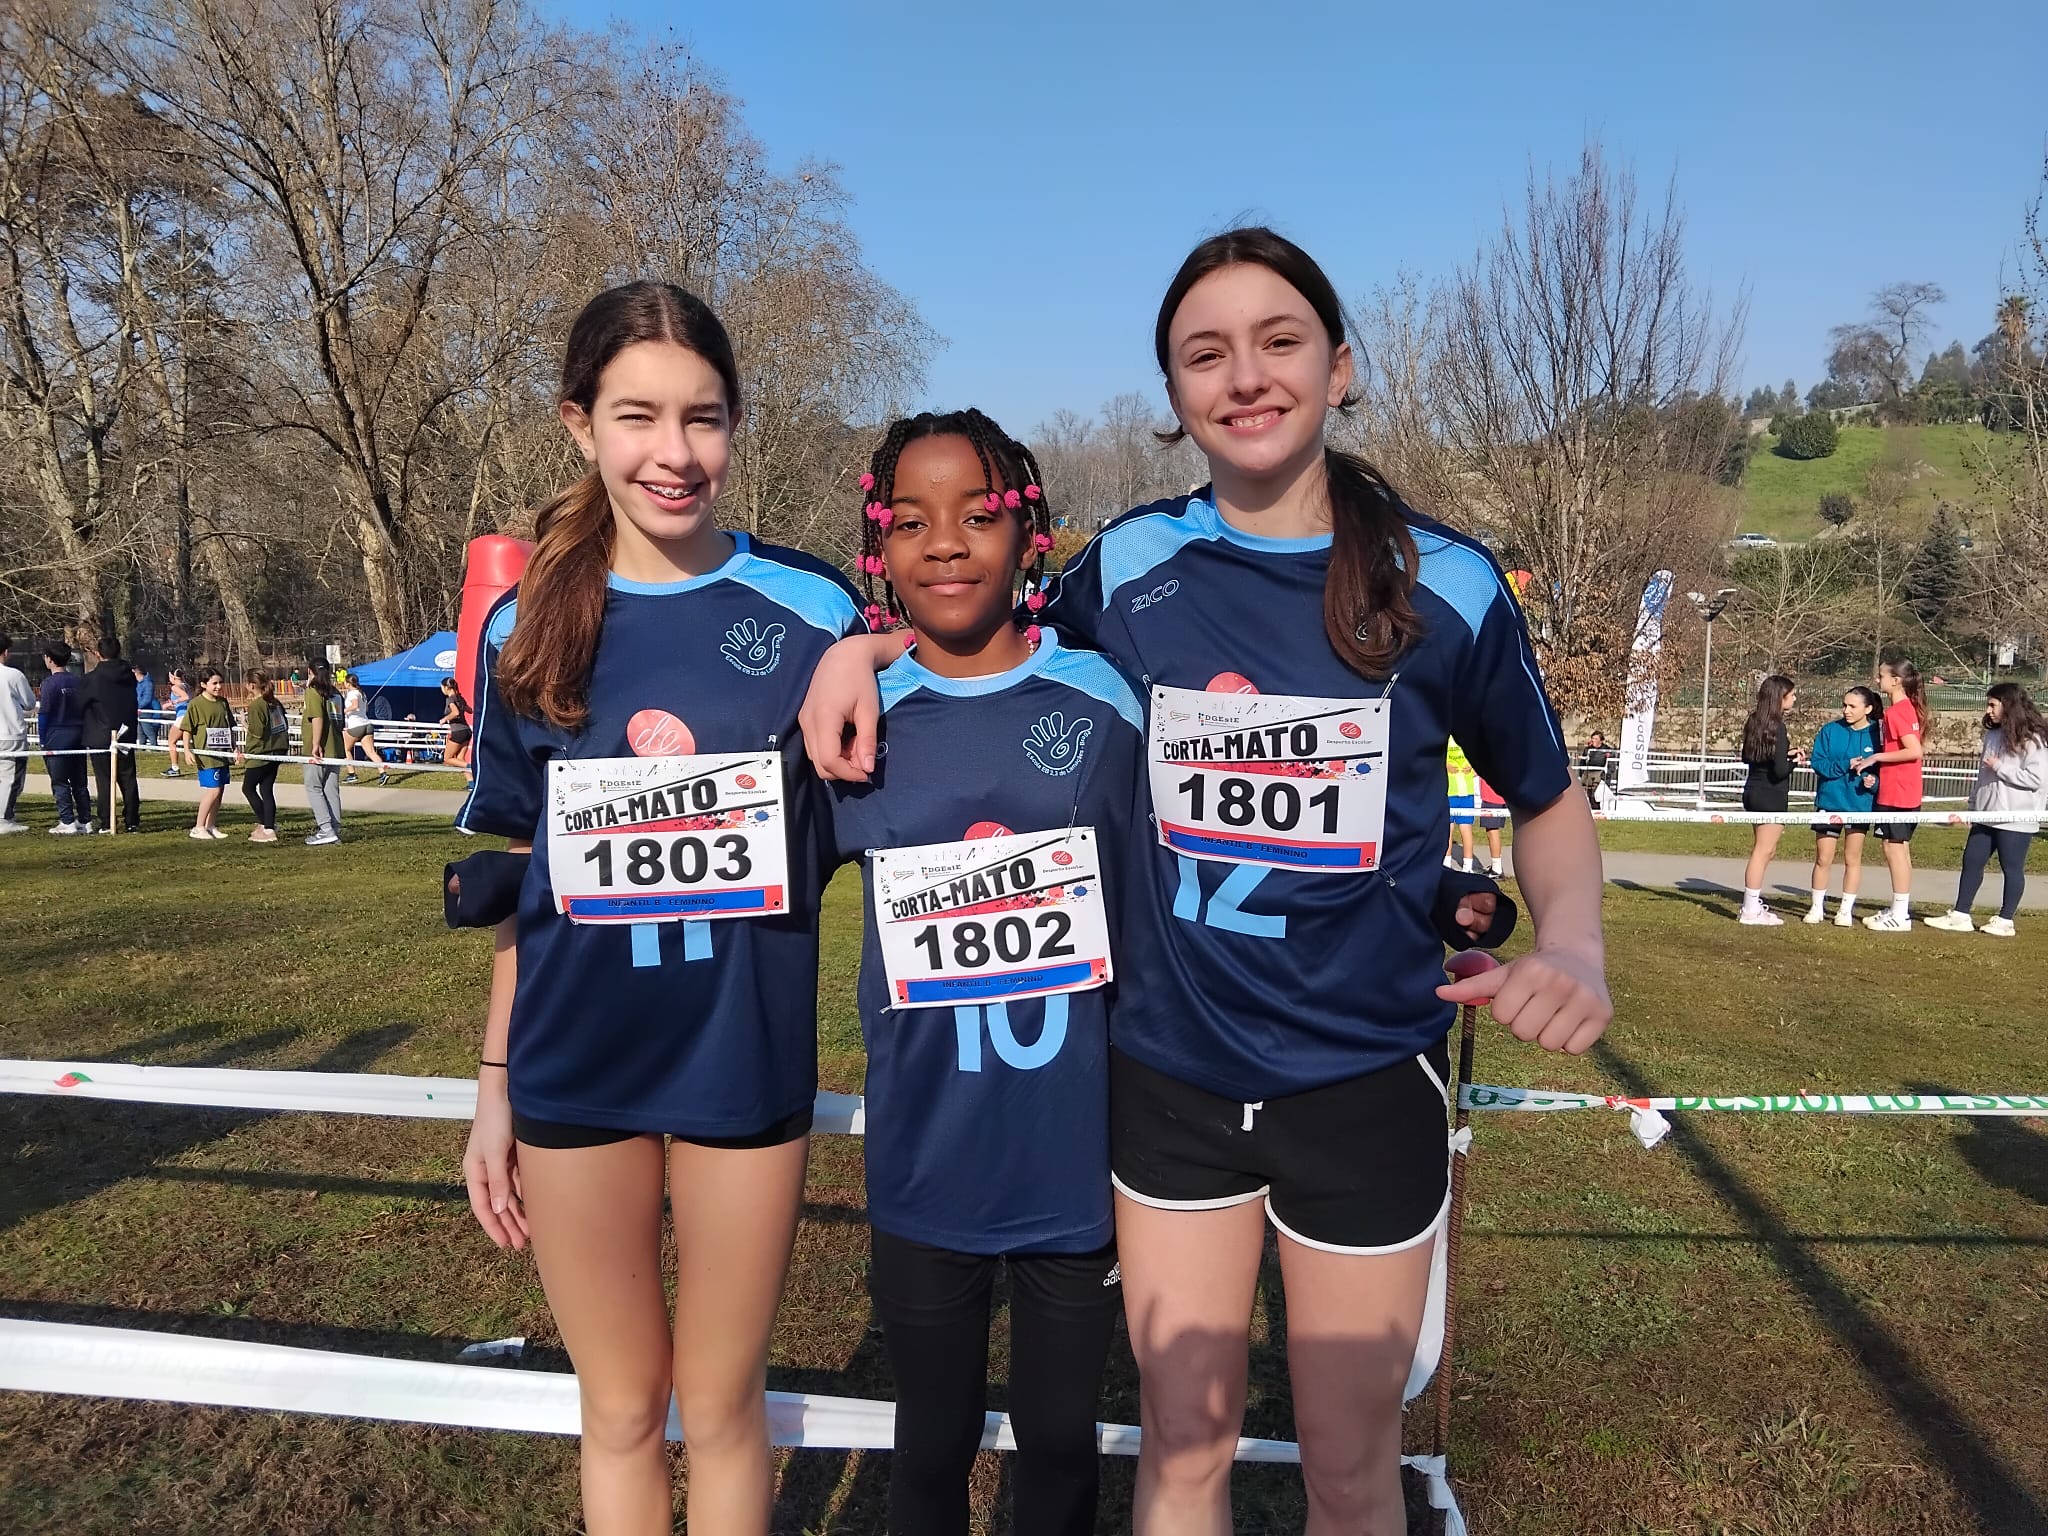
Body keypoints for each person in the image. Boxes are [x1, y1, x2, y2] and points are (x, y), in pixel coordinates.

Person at [799, 228, 1611, 1534]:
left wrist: (1571, 943)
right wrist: (863, 647)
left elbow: (1548, 796)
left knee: (1347, 1466)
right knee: (1183, 1443)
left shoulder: (1446, 582)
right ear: (1173, 395)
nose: (1244, 376)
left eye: (1278, 341)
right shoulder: (1128, 568)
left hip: (1363, 1079)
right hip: (1169, 1080)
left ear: (1339, 367)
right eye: (1204, 353)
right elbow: (983, 620)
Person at [456, 280, 866, 1536]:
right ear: (579, 423)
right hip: (576, 1069)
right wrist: (494, 1086)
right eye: (637, 417)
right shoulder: (528, 622)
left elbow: (961, 667)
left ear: (737, 422)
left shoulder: (813, 611)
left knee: (724, 1403)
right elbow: (523, 874)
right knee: (623, 1410)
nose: (673, 452)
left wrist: (871, 649)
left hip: (741, 1059)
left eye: (703, 417)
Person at [828, 409, 1136, 1536]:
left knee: (1058, 1445)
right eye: (912, 521)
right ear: (880, 545)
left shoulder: (1105, 701)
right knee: (931, 1444)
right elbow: (739, 870)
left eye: (977, 515)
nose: (946, 544)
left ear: (1028, 532)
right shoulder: (856, 717)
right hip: (926, 1158)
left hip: (1074, 1159)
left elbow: (1183, 880)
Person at [1926, 683, 2047, 937]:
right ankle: (1960, 914)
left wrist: (2001, 767)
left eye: (1993, 705)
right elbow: (1983, 775)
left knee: (2011, 868)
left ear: (2009, 705)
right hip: (1985, 813)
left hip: (2015, 816)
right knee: (1972, 860)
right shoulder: (1992, 734)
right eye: (1988, 705)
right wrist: (1974, 805)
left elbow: (2036, 779)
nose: (1988, 710)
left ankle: (2005, 920)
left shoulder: (2033, 739)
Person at [1852, 655, 1929, 932]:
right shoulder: (1900, 709)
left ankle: (1900, 915)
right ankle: (1898, 909)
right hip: (1896, 790)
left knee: (1894, 849)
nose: (1877, 680)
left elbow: (1914, 751)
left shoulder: (1899, 711)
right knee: (1897, 848)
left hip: (1899, 792)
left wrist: (1875, 758)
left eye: (1882, 676)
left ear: (1896, 681)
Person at [1804, 686, 1882, 926]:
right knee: (1823, 858)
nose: (1846, 710)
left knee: (1852, 858)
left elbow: (1883, 772)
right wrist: (1844, 764)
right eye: (1844, 705)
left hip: (1859, 805)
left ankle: (1845, 911)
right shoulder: (1829, 731)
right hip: (1830, 803)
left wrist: (1874, 782)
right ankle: (1816, 907)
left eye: (1852, 706)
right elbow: (1819, 764)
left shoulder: (1877, 735)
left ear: (1867, 709)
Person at [1735, 675, 1801, 925]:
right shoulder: (1778, 726)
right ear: (1779, 698)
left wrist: (1784, 755)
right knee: (1762, 851)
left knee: (1766, 850)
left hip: (1753, 790)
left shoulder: (1754, 721)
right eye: (1791, 695)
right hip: (1770, 794)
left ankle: (1753, 904)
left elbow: (1750, 756)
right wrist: (1794, 761)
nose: (1794, 698)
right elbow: (1780, 771)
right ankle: (1750, 909)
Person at [82, 634, 142, 834]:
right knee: (128, 778)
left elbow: (80, 704)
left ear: (98, 654)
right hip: (125, 732)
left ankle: (107, 821)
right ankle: (132, 820)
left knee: (105, 779)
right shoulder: (129, 677)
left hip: (101, 735)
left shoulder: (92, 679)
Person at [39, 641, 93, 834]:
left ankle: (67, 820)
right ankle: (86, 820)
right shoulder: (77, 681)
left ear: (49, 659)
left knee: (60, 781)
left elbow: (44, 713)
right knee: (80, 782)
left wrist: (42, 739)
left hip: (57, 735)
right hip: (78, 734)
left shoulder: (49, 684)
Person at [236, 670, 290, 843]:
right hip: (278, 751)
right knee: (266, 790)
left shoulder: (257, 705)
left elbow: (258, 732)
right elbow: (285, 725)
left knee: (248, 788)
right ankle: (267, 826)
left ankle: (267, 825)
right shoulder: (274, 702)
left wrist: (245, 724)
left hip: (261, 753)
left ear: (252, 685)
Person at [182, 668, 236, 841]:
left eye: (220, 683)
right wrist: (187, 750)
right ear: (204, 684)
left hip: (222, 753)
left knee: (220, 791)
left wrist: (234, 748)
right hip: (207, 755)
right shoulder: (196, 704)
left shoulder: (223, 703)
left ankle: (210, 825)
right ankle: (198, 827)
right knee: (213, 790)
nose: (218, 686)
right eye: (214, 683)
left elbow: (229, 727)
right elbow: (187, 729)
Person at [300, 659, 346, 846]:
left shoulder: (313, 691)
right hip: (335, 748)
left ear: (310, 672)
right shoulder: (336, 693)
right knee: (331, 789)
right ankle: (334, 828)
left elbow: (317, 718)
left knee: (314, 787)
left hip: (320, 749)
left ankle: (326, 829)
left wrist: (316, 744)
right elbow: (341, 720)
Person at [0, 635, 36, 833]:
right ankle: (4, 818)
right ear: (5, 652)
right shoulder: (13, 675)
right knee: (11, 778)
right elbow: (29, 703)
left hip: (8, 732)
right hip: (10, 733)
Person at [341, 671, 389, 784]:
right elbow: (365, 708)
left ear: (348, 683)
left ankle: (352, 774)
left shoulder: (352, 694)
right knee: (371, 752)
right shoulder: (362, 693)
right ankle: (383, 773)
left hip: (356, 726)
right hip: (367, 724)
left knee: (345, 750)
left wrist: (345, 711)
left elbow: (355, 705)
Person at [1445, 737, 1477, 871]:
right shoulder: (1465, 738)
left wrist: (1472, 766)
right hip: (1451, 791)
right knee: (1449, 830)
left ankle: (1466, 866)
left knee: (1463, 829)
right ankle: (1448, 864)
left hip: (1462, 791)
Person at [160, 669, 194, 777]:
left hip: (182, 718)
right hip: (187, 715)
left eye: (170, 677)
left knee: (171, 741)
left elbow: (185, 697)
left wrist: (173, 702)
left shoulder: (175, 687)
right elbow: (186, 701)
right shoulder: (186, 685)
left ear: (173, 677)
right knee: (187, 743)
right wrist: (172, 706)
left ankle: (174, 767)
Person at [439, 676, 474, 779]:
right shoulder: (460, 698)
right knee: (459, 759)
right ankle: (471, 782)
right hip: (466, 730)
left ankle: (472, 767)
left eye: (441, 688)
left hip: (458, 731)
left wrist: (445, 719)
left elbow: (455, 712)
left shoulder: (450, 699)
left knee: (447, 758)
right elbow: (470, 710)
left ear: (446, 688)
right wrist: (462, 707)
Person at [1478, 774, 1508, 878]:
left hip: (1492, 795)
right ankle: (1496, 866)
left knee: (1492, 831)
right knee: (1492, 831)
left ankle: (1497, 869)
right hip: (1499, 794)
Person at [1579, 729, 1617, 804]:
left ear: (1601, 740)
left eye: (1596, 739)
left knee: (1595, 796)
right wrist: (1582, 774)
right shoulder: (1587, 749)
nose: (1593, 740)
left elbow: (1611, 766)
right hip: (1588, 775)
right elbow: (1582, 763)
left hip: (1600, 776)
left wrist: (1605, 776)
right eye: (1592, 738)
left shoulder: (1607, 750)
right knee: (1588, 796)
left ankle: (1596, 809)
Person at [133, 664, 160, 747]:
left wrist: (138, 706)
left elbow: (147, 699)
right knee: (140, 732)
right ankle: (142, 747)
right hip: (140, 710)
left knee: (148, 730)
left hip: (145, 711)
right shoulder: (139, 684)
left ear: (137, 673)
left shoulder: (148, 684)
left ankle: (154, 746)